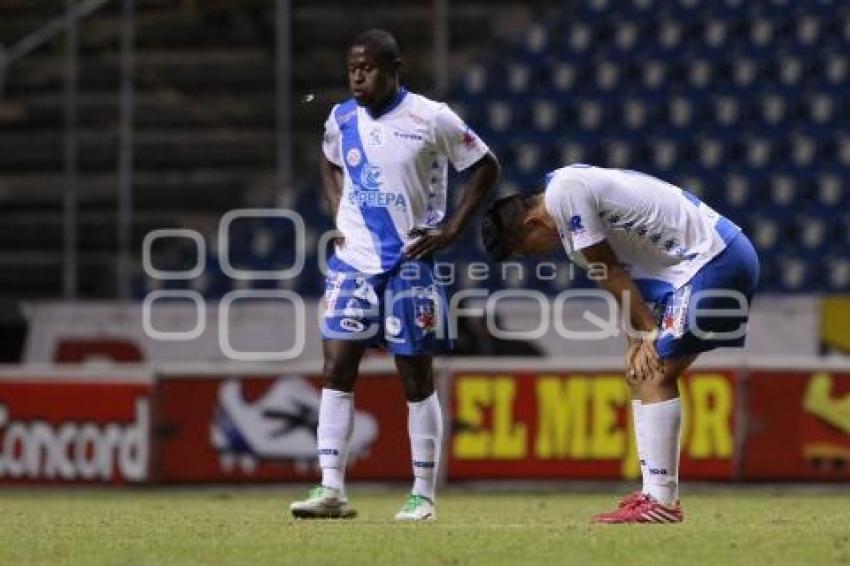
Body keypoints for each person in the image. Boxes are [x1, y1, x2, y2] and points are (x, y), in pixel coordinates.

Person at [290, 29, 500, 521]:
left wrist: (452, 229)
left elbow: (486, 165)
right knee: (336, 369)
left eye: (368, 68)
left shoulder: (432, 118)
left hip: (410, 263)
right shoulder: (341, 118)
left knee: (415, 378)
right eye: (351, 69)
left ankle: (422, 494)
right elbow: (327, 161)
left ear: (394, 68)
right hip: (353, 264)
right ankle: (331, 489)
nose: (357, 77)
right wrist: (339, 214)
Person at [480, 164, 759, 524]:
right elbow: (625, 276)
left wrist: (647, 334)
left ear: (532, 223)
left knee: (654, 374)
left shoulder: (565, 193)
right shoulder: (570, 221)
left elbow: (612, 272)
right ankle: (653, 494)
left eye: (523, 249)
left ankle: (662, 501)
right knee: (640, 372)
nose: (531, 256)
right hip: (698, 266)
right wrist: (635, 337)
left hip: (713, 259)